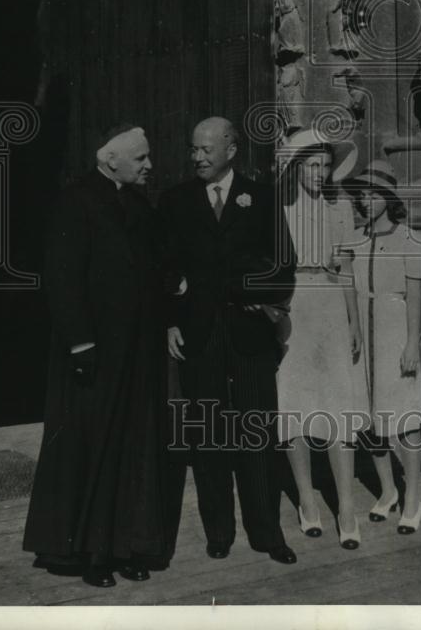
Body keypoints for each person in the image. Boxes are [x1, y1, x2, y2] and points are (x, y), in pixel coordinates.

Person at [23, 125, 183, 588]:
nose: (149, 165)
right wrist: (80, 343)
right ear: (111, 160)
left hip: (136, 353)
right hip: (93, 351)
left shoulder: (137, 204)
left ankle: (124, 547)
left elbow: (153, 264)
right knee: (91, 447)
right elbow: (62, 276)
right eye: (141, 158)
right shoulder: (76, 200)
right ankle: (87, 553)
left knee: (132, 447)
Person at [157, 117, 297, 565]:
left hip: (250, 336)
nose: (197, 156)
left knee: (257, 433)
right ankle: (219, 531)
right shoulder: (176, 200)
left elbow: (283, 264)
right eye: (193, 149)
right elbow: (165, 268)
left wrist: (251, 294)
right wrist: (171, 321)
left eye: (206, 149)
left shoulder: (262, 197)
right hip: (199, 336)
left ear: (231, 149)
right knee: (209, 436)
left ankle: (267, 533)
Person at [275, 130, 369, 549]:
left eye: (325, 165)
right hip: (294, 305)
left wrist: (353, 320)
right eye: (311, 165)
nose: (319, 173)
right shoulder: (280, 209)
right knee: (293, 404)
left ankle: (346, 506)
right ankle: (307, 499)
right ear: (296, 168)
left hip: (330, 303)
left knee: (337, 405)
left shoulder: (340, 207)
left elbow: (347, 268)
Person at [345, 160, 421, 535]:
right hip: (363, 333)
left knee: (405, 419)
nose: (365, 199)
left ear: (389, 198)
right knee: (369, 421)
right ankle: (388, 490)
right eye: (361, 193)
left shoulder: (411, 239)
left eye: (373, 193)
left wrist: (413, 343)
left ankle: (412, 497)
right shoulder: (354, 241)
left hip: (395, 330)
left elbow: (416, 296)